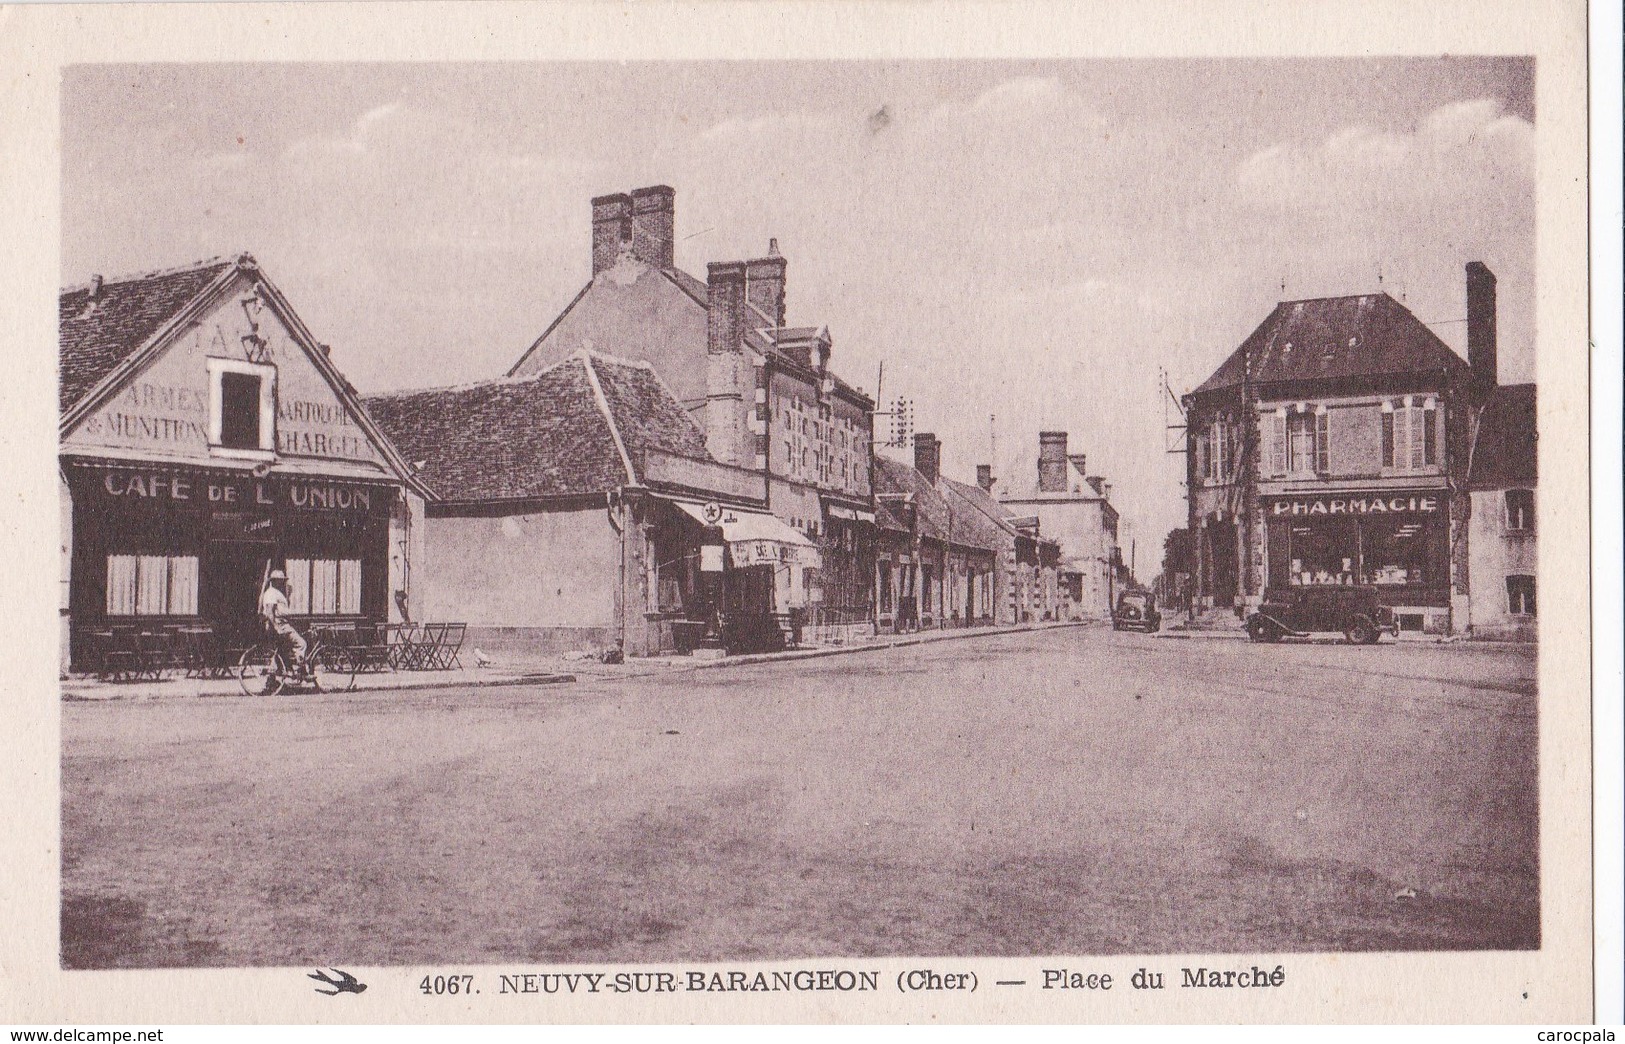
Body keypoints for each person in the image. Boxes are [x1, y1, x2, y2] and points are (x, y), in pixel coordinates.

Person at [259, 569, 308, 675]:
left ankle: (279, 678)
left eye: (282, 580)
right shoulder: (272, 593)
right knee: (301, 644)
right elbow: (269, 612)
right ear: (274, 581)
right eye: (279, 580)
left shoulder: (276, 593)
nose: (281, 583)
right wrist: (276, 627)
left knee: (282, 652)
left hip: (282, 624)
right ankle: (300, 670)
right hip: (281, 625)